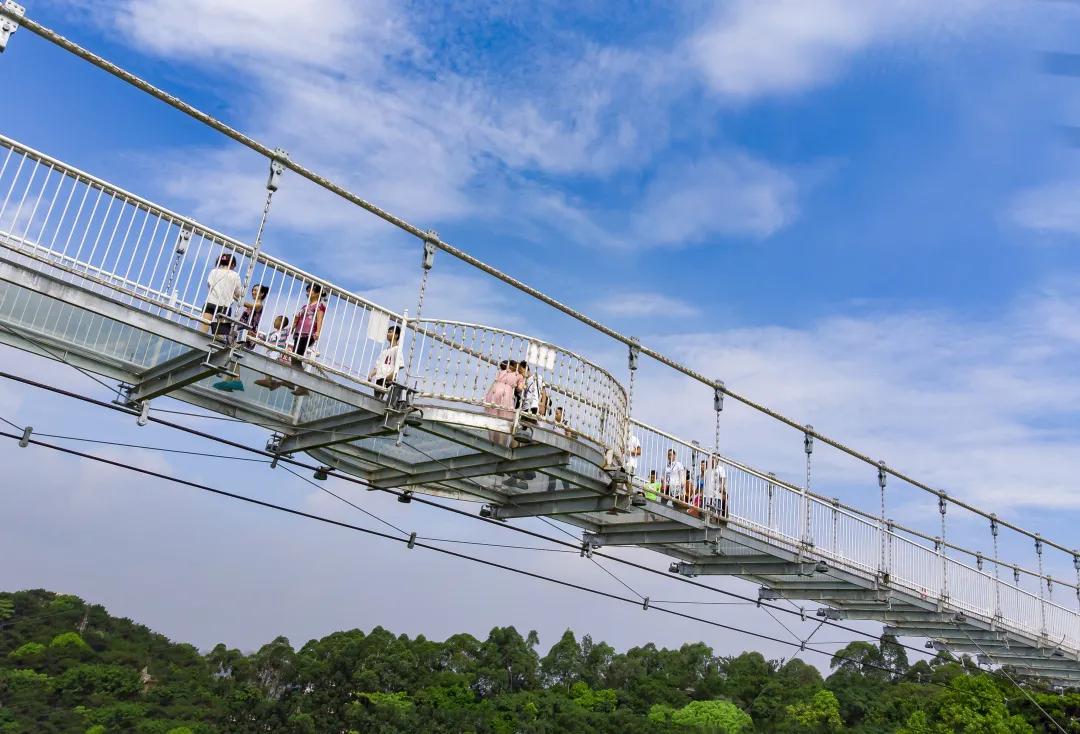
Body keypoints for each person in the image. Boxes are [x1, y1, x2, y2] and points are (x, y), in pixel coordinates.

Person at [289, 283, 326, 396]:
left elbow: (319, 319)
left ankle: (301, 385)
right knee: (295, 359)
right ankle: (300, 384)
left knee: (296, 358)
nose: (308, 292)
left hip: (308, 333)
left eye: (310, 290)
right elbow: (297, 318)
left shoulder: (319, 306)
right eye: (307, 290)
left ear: (318, 293)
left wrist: (318, 331)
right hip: (299, 333)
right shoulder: (305, 306)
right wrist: (293, 327)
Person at [201, 253, 243, 335]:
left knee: (203, 331)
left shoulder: (214, 271)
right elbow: (238, 294)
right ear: (233, 264)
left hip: (210, 303)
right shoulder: (235, 275)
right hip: (224, 307)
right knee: (219, 336)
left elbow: (210, 286)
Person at [484, 359, 521, 446]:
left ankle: (492, 441)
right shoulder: (518, 376)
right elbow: (520, 388)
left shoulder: (502, 372)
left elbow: (494, 382)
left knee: (493, 418)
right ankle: (501, 443)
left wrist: (487, 397)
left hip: (494, 392)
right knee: (504, 420)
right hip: (506, 395)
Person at [254, 315, 291, 390]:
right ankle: (271, 381)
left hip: (276, 352)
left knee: (269, 365)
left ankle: (269, 380)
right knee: (268, 365)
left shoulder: (284, 331)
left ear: (281, 322)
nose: (274, 322)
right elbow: (265, 338)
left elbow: (293, 327)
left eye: (276, 320)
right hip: (270, 352)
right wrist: (255, 334)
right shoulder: (272, 333)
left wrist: (296, 319)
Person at [369, 324, 402, 391]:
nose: (388, 334)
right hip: (379, 378)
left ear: (396, 335)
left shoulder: (397, 349)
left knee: (383, 397)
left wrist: (390, 376)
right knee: (377, 398)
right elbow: (377, 366)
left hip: (388, 379)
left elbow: (399, 366)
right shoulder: (384, 351)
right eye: (388, 332)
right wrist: (371, 375)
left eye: (390, 332)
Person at [703, 455, 728, 519]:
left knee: (716, 512)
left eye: (716, 459)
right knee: (706, 510)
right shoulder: (707, 470)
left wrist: (722, 486)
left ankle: (715, 521)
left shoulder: (720, 469)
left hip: (716, 495)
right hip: (707, 494)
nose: (714, 460)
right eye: (713, 458)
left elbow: (723, 479)